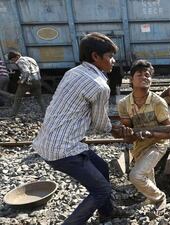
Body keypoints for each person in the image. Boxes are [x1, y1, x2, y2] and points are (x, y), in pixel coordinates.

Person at [32, 32, 130, 224]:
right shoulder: (100, 85)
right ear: (95, 56)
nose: (113, 61)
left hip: (47, 143)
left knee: (101, 167)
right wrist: (117, 129)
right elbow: (101, 125)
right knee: (102, 189)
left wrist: (113, 127)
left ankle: (107, 212)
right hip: (64, 150)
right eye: (110, 56)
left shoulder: (74, 72)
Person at [117, 59, 170, 213]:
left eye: (147, 75)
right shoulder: (124, 104)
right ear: (130, 80)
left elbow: (169, 132)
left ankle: (160, 197)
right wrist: (128, 133)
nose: (144, 77)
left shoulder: (158, 102)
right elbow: (128, 133)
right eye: (139, 74)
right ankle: (150, 200)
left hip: (157, 143)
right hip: (139, 146)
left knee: (136, 176)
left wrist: (151, 133)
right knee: (147, 174)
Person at [7, 51, 46, 116]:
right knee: (39, 98)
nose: (13, 62)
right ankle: (45, 112)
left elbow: (26, 72)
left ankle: (12, 115)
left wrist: (21, 81)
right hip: (37, 80)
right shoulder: (30, 59)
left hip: (28, 81)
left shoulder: (20, 61)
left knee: (17, 98)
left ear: (17, 56)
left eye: (12, 60)